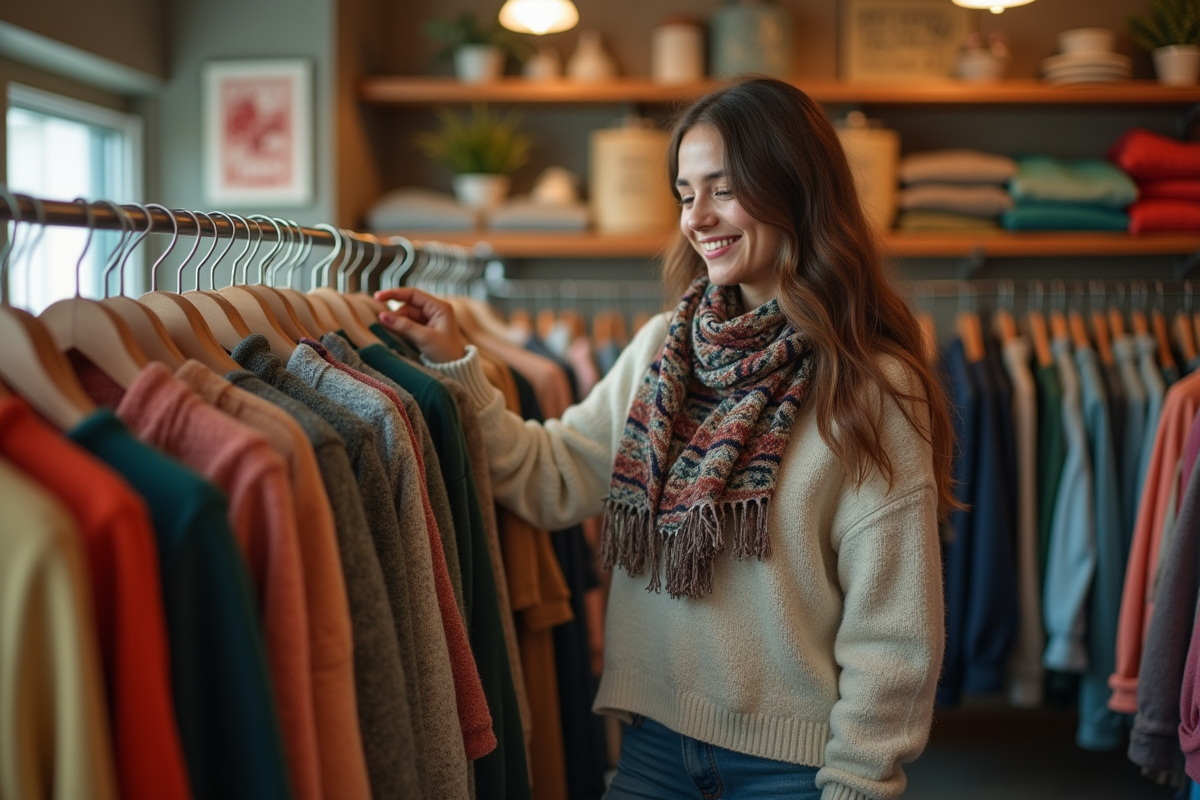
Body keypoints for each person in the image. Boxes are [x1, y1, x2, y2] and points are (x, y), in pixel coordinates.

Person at [375, 76, 956, 800]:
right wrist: (456, 363)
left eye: (722, 188)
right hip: (652, 751)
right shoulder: (663, 350)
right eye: (685, 194)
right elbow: (551, 476)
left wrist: (857, 784)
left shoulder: (871, 384)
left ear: (794, 186)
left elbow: (895, 629)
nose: (697, 217)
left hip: (794, 772)